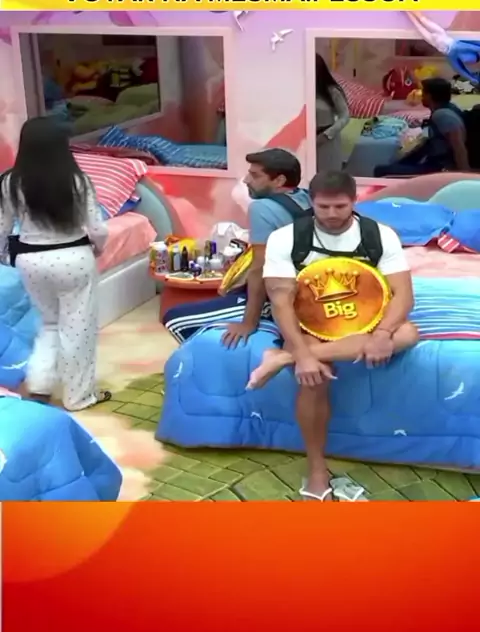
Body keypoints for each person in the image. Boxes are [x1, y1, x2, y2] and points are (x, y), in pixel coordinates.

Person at [248, 170, 418, 502]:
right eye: (323, 207)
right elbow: (280, 301)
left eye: (340, 206)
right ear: (311, 203)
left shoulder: (379, 235)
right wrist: (303, 353)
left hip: (366, 318)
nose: (331, 214)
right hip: (307, 322)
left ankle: (281, 358)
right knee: (314, 377)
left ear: (354, 202)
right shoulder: (286, 238)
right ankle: (316, 469)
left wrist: (384, 333)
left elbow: (404, 295)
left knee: (408, 333)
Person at [0, 117, 110, 411]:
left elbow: (2, 228)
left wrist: (4, 256)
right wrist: (98, 248)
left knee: (49, 323)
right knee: (78, 329)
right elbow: (97, 228)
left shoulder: (10, 182)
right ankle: (79, 396)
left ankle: (39, 386)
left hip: (30, 261)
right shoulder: (77, 181)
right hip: (73, 259)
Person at [162, 148, 311, 346]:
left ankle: (252, 346)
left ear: (279, 181)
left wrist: (249, 322)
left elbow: (260, 268)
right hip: (308, 291)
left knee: (174, 319)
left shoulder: (262, 208)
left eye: (255, 175)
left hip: (282, 299)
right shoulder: (306, 197)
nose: (246, 180)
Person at [374, 77, 469, 177]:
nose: (422, 97)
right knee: (398, 163)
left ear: (429, 96)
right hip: (433, 162)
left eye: (423, 94)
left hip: (439, 168)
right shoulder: (447, 109)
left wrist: (464, 176)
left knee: (380, 171)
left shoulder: (443, 115)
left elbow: (459, 147)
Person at [314, 54, 350, 172]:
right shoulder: (301, 90)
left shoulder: (331, 91)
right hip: (305, 140)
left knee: (327, 175)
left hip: (326, 139)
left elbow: (345, 116)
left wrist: (328, 134)